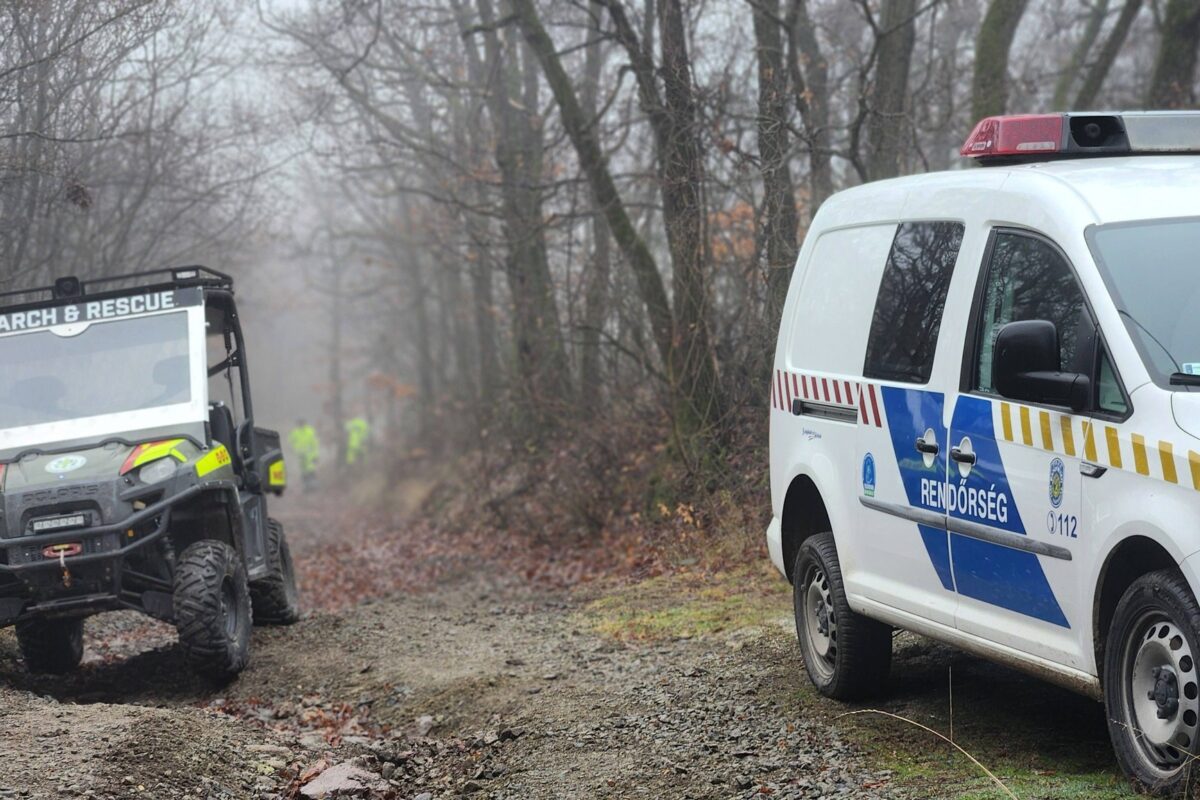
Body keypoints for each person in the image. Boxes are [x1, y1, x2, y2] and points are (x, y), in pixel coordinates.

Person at [288, 419, 320, 492]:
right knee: (303, 471)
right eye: (299, 423)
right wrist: (294, 449)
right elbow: (290, 441)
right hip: (300, 455)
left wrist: (315, 455)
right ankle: (307, 487)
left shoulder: (310, 431)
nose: (300, 424)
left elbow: (315, 444)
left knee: (310, 470)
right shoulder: (295, 432)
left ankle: (312, 487)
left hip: (309, 455)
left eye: (301, 423)